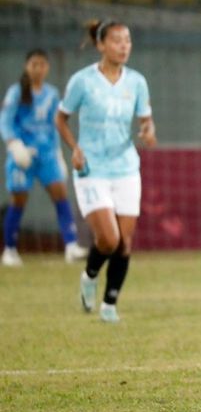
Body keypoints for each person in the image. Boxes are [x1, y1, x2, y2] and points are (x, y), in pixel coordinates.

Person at [55, 20, 156, 323]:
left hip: (126, 168)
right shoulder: (83, 81)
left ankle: (109, 305)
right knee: (109, 240)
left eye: (128, 40)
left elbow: (146, 120)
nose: (124, 46)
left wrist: (148, 131)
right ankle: (90, 275)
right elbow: (61, 119)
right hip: (92, 169)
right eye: (116, 40)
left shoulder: (136, 82)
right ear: (101, 45)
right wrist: (75, 147)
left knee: (124, 243)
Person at [2, 50, 87, 266]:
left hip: (47, 155)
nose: (38, 69)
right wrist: (14, 145)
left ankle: (71, 245)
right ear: (27, 66)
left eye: (42, 64)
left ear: (47, 68)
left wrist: (58, 154)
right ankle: (9, 250)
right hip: (23, 155)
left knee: (60, 195)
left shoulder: (52, 93)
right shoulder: (16, 92)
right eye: (34, 64)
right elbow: (5, 121)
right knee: (18, 200)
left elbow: (55, 124)